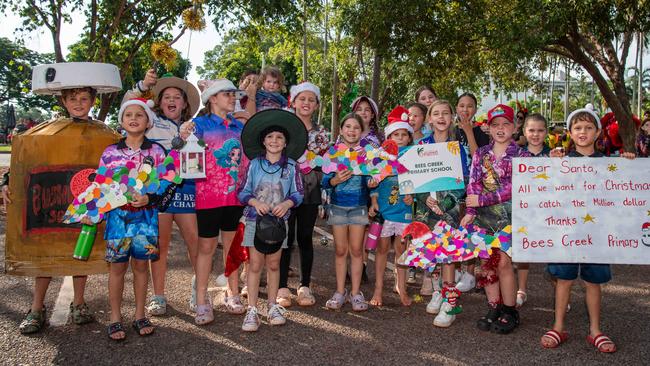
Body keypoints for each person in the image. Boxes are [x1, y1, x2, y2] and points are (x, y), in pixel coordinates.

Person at [540, 106, 635, 352]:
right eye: (578, 127)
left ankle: (595, 330)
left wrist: (629, 166)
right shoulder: (560, 162)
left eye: (588, 127)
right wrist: (551, 164)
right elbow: (545, 189)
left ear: (597, 132)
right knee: (564, 279)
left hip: (598, 234)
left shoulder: (608, 163)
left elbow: (624, 190)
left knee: (593, 282)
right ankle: (558, 326)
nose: (583, 132)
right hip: (567, 232)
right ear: (570, 132)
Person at [6, 87, 100, 334]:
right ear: (63, 101)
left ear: (92, 101)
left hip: (84, 204)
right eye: (73, 99)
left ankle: (79, 303)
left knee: (82, 253)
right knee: (46, 251)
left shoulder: (104, 134)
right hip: (52, 204)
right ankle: (36, 307)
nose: (78, 103)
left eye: (84, 99)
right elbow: (25, 158)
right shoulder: (45, 132)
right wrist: (7, 182)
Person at [89, 98, 167, 340]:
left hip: (146, 220)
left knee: (141, 267)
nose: (134, 118)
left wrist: (150, 198)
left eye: (139, 115)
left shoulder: (156, 151)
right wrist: (93, 211)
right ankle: (114, 318)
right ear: (122, 121)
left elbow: (166, 184)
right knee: (117, 268)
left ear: (147, 122)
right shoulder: (111, 152)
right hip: (117, 222)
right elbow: (99, 185)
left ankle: (139, 314)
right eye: (128, 114)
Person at [125, 69, 202, 315]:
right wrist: (141, 84)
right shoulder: (152, 122)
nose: (171, 100)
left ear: (185, 103)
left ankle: (198, 292)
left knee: (195, 241)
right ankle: (158, 296)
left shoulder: (194, 126)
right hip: (157, 191)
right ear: (159, 102)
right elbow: (128, 106)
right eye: (166, 96)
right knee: (159, 244)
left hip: (187, 189)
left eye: (177, 97)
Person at [181, 79, 249, 325]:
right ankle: (201, 300)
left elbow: (247, 160)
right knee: (206, 249)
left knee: (232, 249)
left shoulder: (240, 129)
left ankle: (231, 292)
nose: (232, 98)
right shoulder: (198, 125)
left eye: (233, 94)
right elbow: (181, 150)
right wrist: (182, 134)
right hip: (207, 198)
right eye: (227, 94)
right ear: (212, 98)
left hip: (235, 197)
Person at [460, 104, 531, 334]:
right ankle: (493, 306)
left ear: (514, 126)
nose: (500, 129)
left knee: (503, 263)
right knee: (486, 263)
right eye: (495, 125)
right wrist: (471, 211)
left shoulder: (522, 155)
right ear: (488, 128)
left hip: (509, 218)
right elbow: (474, 182)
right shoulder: (481, 153)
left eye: (506, 124)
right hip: (482, 218)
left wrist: (482, 200)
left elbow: (515, 187)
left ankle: (510, 310)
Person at [238, 109, 306, 331]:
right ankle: (251, 310)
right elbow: (242, 191)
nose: (274, 141)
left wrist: (287, 204)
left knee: (275, 264)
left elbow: (298, 193)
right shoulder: (254, 164)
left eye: (279, 137)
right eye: (270, 137)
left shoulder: (292, 167)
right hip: (253, 221)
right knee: (255, 265)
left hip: (279, 223)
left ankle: (272, 305)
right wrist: (255, 203)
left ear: (285, 142)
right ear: (263, 141)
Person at [417, 100, 470, 327]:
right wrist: (423, 198)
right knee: (433, 252)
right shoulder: (421, 145)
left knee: (448, 254)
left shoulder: (458, 148)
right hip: (427, 209)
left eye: (445, 113)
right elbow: (414, 180)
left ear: (451, 118)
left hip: (450, 209)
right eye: (435, 114)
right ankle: (438, 290)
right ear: (429, 119)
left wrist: (447, 202)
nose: (440, 117)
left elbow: (465, 180)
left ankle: (450, 303)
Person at [278, 82, 330, 307]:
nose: (306, 103)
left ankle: (304, 286)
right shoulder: (283, 126)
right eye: (302, 98)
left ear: (317, 104)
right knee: (285, 237)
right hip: (283, 189)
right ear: (293, 101)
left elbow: (326, 165)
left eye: (311, 100)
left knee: (305, 237)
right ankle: (281, 286)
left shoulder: (321, 133)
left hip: (309, 189)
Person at [322, 113, 378, 311]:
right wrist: (334, 180)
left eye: (356, 127)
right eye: (348, 126)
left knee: (356, 251)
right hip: (337, 207)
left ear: (361, 132)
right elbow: (325, 181)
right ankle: (340, 291)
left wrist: (373, 189)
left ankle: (355, 293)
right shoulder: (333, 152)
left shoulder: (366, 154)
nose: (352, 130)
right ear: (341, 130)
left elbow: (373, 180)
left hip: (359, 208)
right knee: (340, 250)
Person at [369, 106, 414, 307]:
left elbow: (419, 182)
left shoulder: (413, 156)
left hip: (403, 212)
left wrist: (412, 197)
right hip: (384, 212)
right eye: (396, 134)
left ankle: (401, 287)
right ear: (389, 136)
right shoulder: (381, 157)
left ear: (409, 137)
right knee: (382, 249)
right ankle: (378, 289)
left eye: (404, 134)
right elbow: (373, 182)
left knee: (401, 250)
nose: (400, 137)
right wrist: (374, 200)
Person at [454, 93, 490, 293]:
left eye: (470, 106)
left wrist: (469, 131)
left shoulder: (481, 132)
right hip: (454, 186)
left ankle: (469, 272)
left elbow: (479, 157)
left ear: (475, 109)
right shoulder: (450, 130)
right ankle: (456, 270)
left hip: (474, 186)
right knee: (456, 227)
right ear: (456, 108)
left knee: (471, 229)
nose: (465, 110)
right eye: (461, 106)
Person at [515, 113, 550, 309]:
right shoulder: (516, 155)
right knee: (523, 252)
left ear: (546, 132)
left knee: (553, 253)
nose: (535, 134)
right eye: (531, 130)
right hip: (524, 211)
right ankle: (521, 289)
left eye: (540, 130)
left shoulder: (554, 155)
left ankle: (559, 292)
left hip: (549, 212)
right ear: (524, 131)